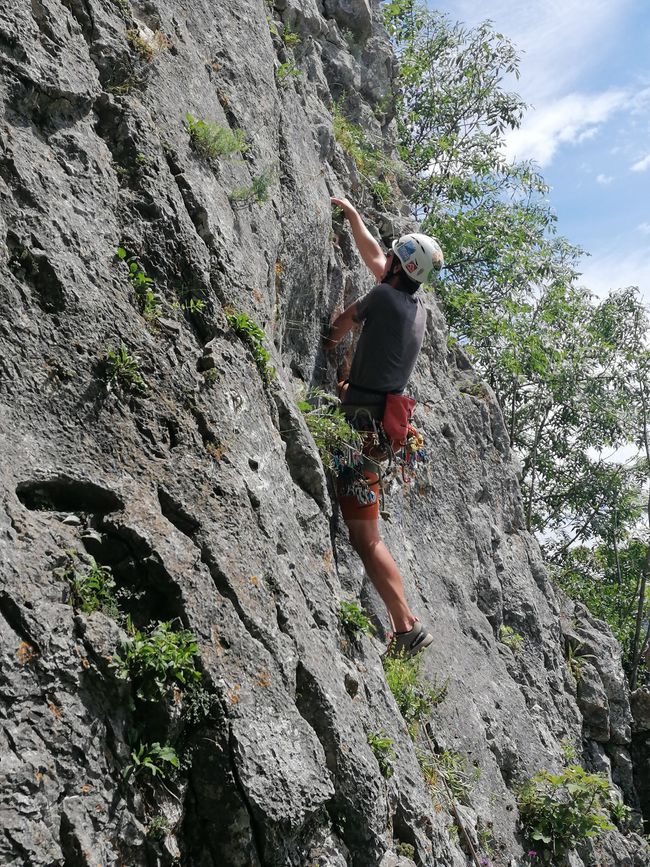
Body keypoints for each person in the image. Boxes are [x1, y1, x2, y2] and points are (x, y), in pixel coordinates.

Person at [323, 195, 444, 657]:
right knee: (368, 532)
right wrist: (353, 217)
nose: (386, 259)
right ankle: (404, 622)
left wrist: (327, 347)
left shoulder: (381, 298)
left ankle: (406, 624)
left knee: (365, 536)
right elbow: (378, 257)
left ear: (399, 266)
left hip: (358, 427)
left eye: (393, 257)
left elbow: (339, 325)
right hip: (380, 428)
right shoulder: (414, 309)